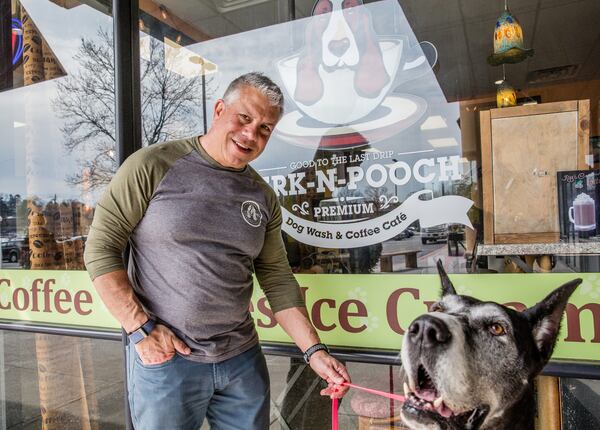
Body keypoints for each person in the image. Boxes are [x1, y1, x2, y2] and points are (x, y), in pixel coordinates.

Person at [83, 72, 350, 430]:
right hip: (168, 360)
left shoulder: (262, 196)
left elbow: (277, 278)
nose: (252, 134)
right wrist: (141, 330)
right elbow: (100, 249)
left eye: (266, 128)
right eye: (245, 118)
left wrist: (314, 351)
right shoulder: (152, 166)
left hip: (241, 362)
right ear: (220, 109)